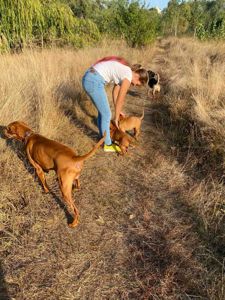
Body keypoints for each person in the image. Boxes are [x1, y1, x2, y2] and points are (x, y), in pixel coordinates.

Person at [82, 56, 148, 152]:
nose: (134, 85)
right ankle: (107, 144)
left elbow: (115, 92)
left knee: (103, 113)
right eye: (137, 84)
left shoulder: (126, 71)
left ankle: (103, 138)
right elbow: (121, 99)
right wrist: (117, 118)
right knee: (107, 114)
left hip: (91, 78)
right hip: (94, 80)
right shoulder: (128, 77)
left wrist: (119, 110)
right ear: (138, 77)